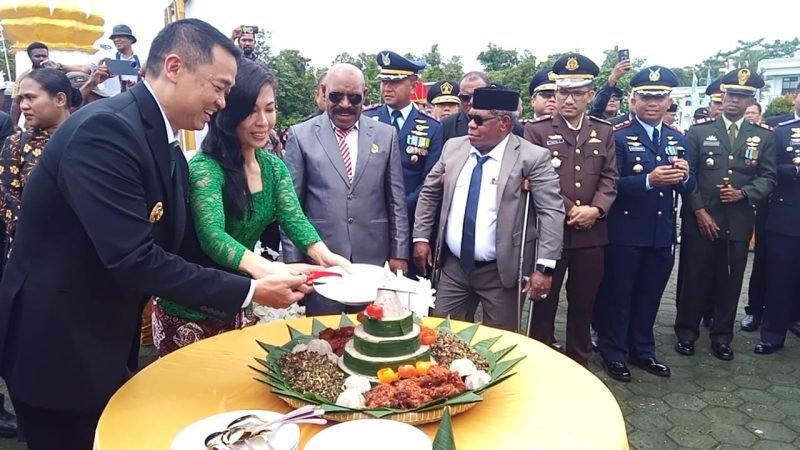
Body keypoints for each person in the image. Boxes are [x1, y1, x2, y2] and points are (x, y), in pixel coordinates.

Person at [0, 19, 316, 450]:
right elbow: (134, 258)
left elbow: (181, 244)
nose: (223, 102)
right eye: (219, 87)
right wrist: (251, 291)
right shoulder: (106, 131)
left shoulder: (161, 140)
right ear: (174, 67)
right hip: (57, 348)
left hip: (101, 340)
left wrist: (273, 274)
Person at [152, 61, 350, 356]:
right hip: (190, 308)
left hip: (239, 301)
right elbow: (213, 237)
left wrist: (328, 258)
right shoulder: (206, 169)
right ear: (227, 113)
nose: (263, 122)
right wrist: (270, 270)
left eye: (269, 109)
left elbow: (294, 219)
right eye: (250, 111)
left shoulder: (272, 167)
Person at [413, 86, 564, 330]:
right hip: (454, 267)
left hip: (502, 270)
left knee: (501, 340)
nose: (470, 125)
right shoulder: (454, 148)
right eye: (469, 117)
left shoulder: (532, 157)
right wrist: (421, 237)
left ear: (504, 123)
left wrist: (544, 267)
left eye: (479, 120)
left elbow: (551, 212)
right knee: (441, 334)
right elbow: (430, 192)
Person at [282, 63, 409, 315]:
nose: (345, 104)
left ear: (365, 95)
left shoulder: (386, 135)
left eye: (354, 98)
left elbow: (396, 200)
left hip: (374, 259)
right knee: (324, 331)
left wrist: (400, 252)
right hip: (321, 260)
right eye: (336, 96)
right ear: (323, 92)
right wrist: (293, 262)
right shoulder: (301, 135)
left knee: (374, 328)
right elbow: (290, 208)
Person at [595, 66, 694, 382]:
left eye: (659, 98)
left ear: (668, 101)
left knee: (650, 296)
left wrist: (685, 176)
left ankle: (643, 350)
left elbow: (689, 187)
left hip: (661, 233)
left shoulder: (676, 137)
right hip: (626, 232)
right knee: (619, 297)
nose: (653, 103)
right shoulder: (618, 134)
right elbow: (608, 185)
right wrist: (648, 181)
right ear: (633, 99)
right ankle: (613, 352)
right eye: (646, 97)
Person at [674, 68, 776, 361]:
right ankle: (686, 333)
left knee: (730, 281)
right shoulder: (699, 131)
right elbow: (688, 175)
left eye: (741, 96)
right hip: (701, 218)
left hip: (738, 220)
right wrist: (699, 211)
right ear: (723, 96)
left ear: (751, 101)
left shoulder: (763, 136)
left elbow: (769, 177)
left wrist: (744, 193)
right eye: (730, 94)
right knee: (695, 277)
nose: (734, 101)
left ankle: (721, 336)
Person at [524, 53, 618, 368]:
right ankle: (539, 362)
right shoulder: (536, 131)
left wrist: (596, 210)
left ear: (590, 95)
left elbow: (610, 177)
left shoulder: (603, 130)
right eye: (562, 92)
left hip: (592, 234)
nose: (568, 99)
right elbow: (537, 180)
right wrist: (569, 209)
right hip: (551, 233)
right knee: (543, 301)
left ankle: (579, 362)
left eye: (577, 93)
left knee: (584, 304)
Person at [754, 116, 800, 354]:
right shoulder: (782, 133)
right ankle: (773, 334)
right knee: (780, 280)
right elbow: (768, 171)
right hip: (788, 216)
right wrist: (795, 169)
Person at [10, 42, 88, 126]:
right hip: (34, 126)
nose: (41, 59)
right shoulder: (24, 78)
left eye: (44, 56)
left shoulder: (57, 74)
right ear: (30, 57)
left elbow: (76, 100)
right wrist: (14, 125)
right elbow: (16, 103)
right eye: (37, 56)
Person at [437, 71, 491, 143]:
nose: (471, 102)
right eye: (465, 97)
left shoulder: (500, 122)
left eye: (477, 96)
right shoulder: (447, 125)